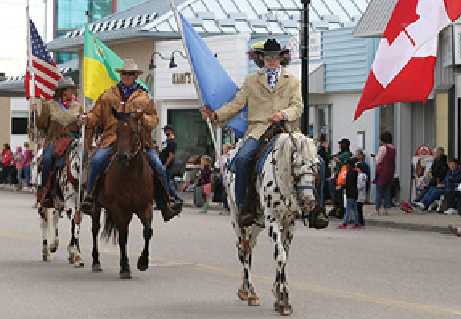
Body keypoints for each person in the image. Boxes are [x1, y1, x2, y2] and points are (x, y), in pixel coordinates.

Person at [202, 39, 324, 226]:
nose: (271, 61)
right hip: (259, 130)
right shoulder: (251, 81)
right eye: (268, 57)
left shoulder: (292, 81)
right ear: (262, 59)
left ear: (280, 58)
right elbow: (237, 104)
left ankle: (318, 209)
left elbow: (298, 106)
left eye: (275, 57)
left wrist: (283, 114)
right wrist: (216, 115)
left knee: (318, 162)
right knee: (242, 159)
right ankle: (245, 207)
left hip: (287, 130)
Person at [81, 60, 182, 220]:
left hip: (138, 140)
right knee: (97, 160)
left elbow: (154, 119)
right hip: (112, 138)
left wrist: (143, 120)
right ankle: (90, 198)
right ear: (120, 75)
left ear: (135, 76)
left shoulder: (144, 97)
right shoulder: (107, 95)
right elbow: (96, 115)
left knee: (158, 165)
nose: (127, 77)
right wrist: (88, 118)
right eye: (124, 74)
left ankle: (168, 201)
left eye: (130, 74)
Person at [33, 77, 83, 208]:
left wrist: (83, 122)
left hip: (73, 140)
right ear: (62, 91)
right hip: (54, 140)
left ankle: (87, 192)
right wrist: (38, 111)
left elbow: (81, 126)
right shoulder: (50, 105)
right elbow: (41, 125)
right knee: (48, 159)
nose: (72, 91)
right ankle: (46, 191)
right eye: (69, 89)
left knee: (84, 159)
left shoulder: (78, 106)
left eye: (73, 89)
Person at [373, 130, 396, 213]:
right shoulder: (393, 148)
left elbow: (378, 160)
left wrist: (375, 157)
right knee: (387, 190)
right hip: (390, 171)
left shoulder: (382, 148)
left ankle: (377, 209)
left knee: (379, 190)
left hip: (382, 171)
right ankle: (386, 209)